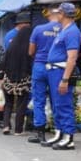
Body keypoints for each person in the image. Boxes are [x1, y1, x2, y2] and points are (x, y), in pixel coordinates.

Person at [43, 2, 81, 151]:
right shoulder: (64, 30)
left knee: (63, 103)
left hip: (61, 71)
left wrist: (65, 79)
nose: (56, 15)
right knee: (56, 104)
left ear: (63, 14)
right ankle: (59, 133)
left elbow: (72, 58)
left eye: (59, 13)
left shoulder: (72, 32)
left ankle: (68, 137)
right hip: (54, 70)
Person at [26, 9, 60, 144]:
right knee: (56, 100)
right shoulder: (65, 30)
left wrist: (40, 58)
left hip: (40, 66)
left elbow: (31, 51)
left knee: (38, 100)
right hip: (57, 68)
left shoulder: (38, 29)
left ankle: (40, 133)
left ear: (48, 14)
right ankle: (58, 132)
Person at [0, 11, 34, 135]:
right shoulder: (29, 45)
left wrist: (1, 76)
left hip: (9, 76)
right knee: (21, 103)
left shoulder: (12, 44)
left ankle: (6, 126)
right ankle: (18, 130)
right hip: (23, 78)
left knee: (8, 103)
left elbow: (4, 59)